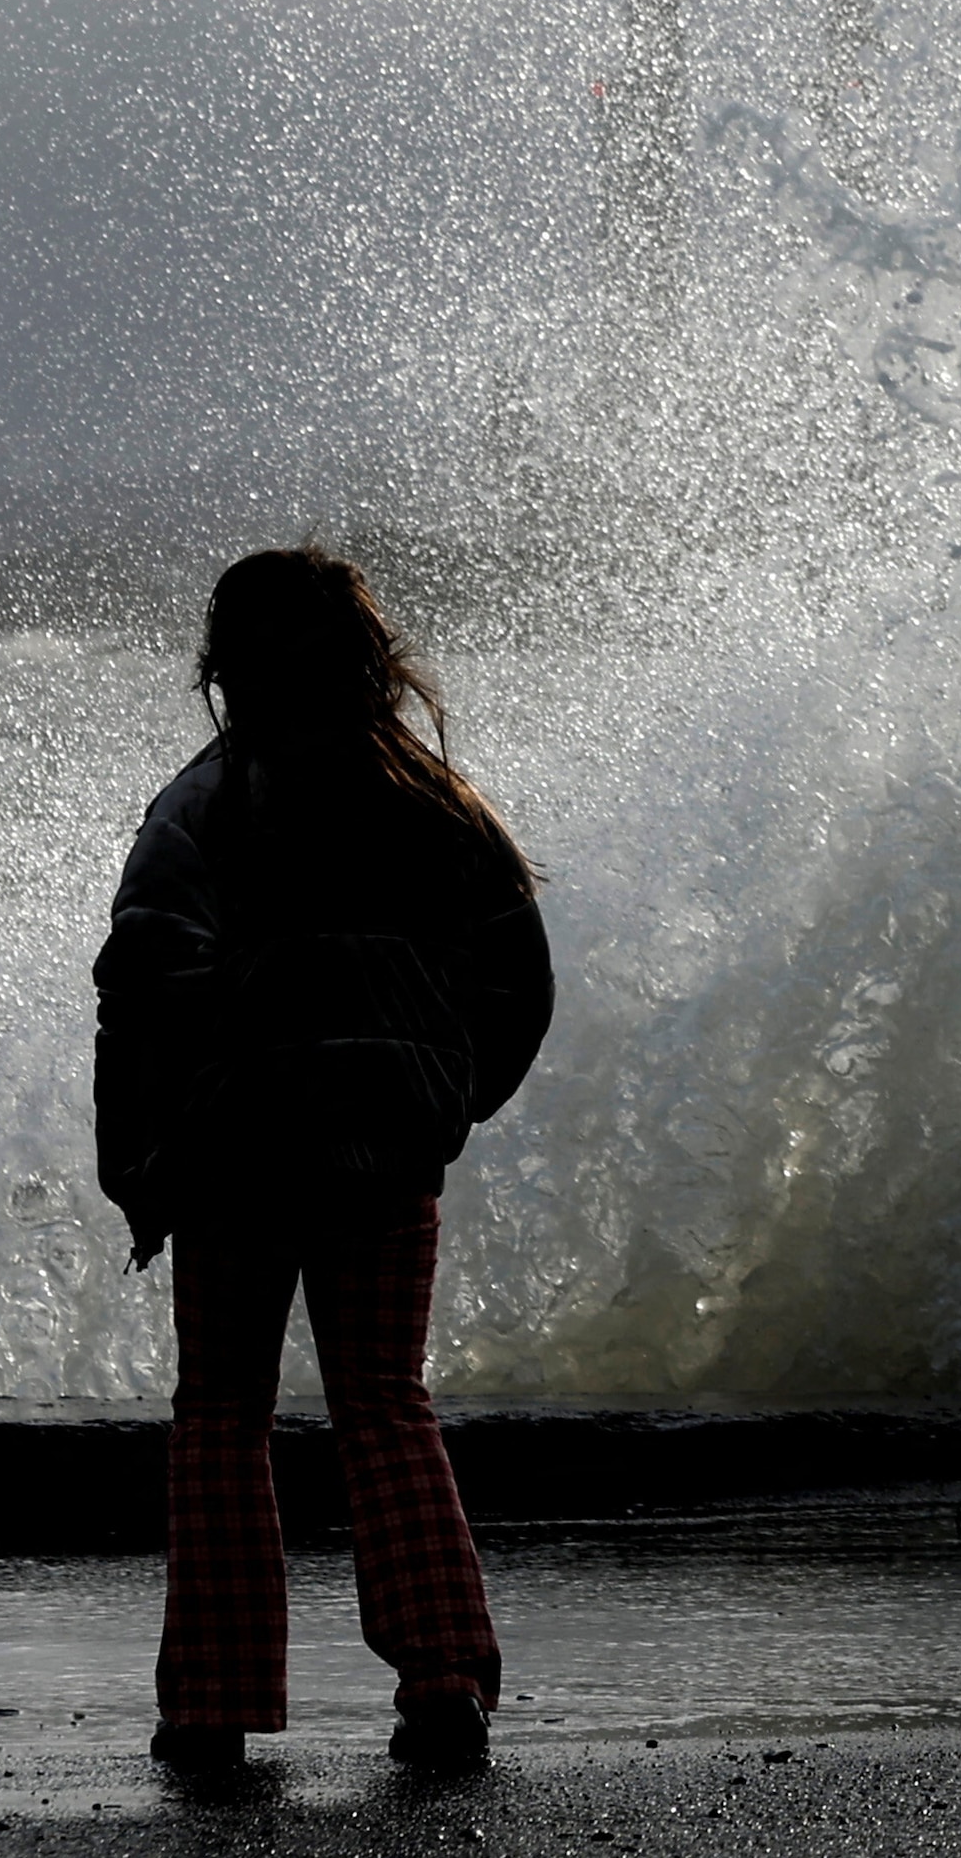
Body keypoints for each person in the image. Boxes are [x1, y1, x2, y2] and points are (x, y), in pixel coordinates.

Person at [94, 543, 553, 1774]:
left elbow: (143, 980)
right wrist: (444, 1105)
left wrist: (138, 1159)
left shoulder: (204, 804)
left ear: (223, 668)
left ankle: (212, 1706)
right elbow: (517, 982)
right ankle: (444, 1677)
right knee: (385, 1406)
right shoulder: (444, 808)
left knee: (221, 1416)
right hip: (387, 1161)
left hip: (239, 1159)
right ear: (368, 658)